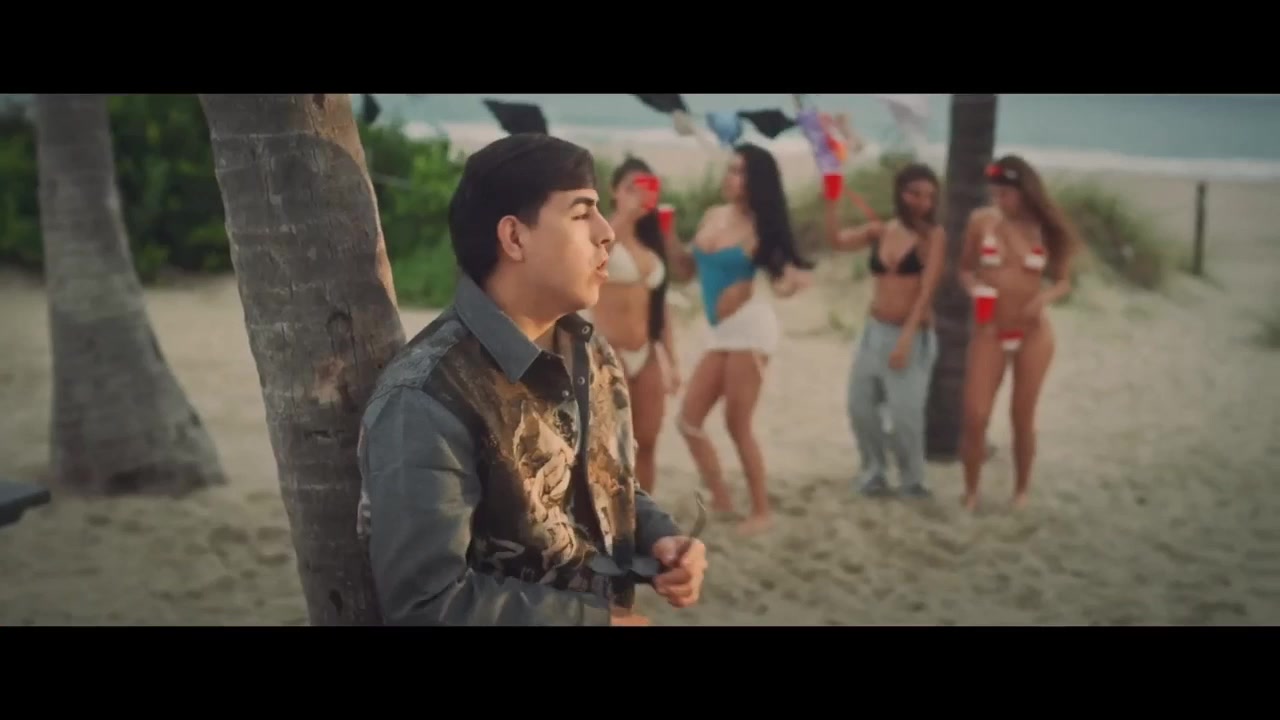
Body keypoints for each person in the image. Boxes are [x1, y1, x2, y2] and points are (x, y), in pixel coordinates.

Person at [356, 133, 708, 626]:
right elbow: (426, 605)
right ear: (515, 238)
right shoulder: (426, 397)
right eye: (582, 213)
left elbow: (600, 480)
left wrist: (659, 538)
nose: (607, 232)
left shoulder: (590, 351)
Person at [662, 143, 814, 535]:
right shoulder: (713, 216)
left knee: (737, 423)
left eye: (740, 172)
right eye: (730, 169)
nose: (730, 177)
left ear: (756, 181)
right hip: (720, 333)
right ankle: (723, 499)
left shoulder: (762, 227)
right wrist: (669, 234)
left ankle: (762, 511)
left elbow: (781, 283)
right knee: (688, 421)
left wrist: (793, 284)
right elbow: (685, 271)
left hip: (751, 329)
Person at [956, 154, 1079, 511]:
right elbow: (965, 269)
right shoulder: (981, 222)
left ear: (1024, 192)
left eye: (1005, 194)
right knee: (975, 414)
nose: (999, 200)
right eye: (994, 193)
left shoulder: (1044, 228)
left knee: (1022, 415)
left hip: (1033, 333)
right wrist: (974, 290)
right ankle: (971, 491)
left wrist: (1042, 299)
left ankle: (1021, 490)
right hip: (990, 329)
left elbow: (1063, 281)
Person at [824, 163, 946, 497]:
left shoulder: (932, 236)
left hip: (911, 334)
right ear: (900, 193)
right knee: (860, 406)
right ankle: (873, 472)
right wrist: (832, 202)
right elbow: (837, 241)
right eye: (914, 194)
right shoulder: (880, 230)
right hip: (874, 330)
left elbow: (927, 290)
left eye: (929, 196)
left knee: (905, 414)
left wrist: (905, 339)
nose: (922, 203)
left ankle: (913, 480)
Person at [583, 156, 679, 495]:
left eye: (646, 189)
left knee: (648, 440)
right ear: (614, 192)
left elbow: (660, 306)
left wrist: (672, 360)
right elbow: (596, 256)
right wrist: (626, 215)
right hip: (610, 351)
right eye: (630, 189)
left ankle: (643, 511)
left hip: (646, 352)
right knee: (612, 445)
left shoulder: (650, 242)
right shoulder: (602, 233)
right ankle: (608, 512)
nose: (638, 196)